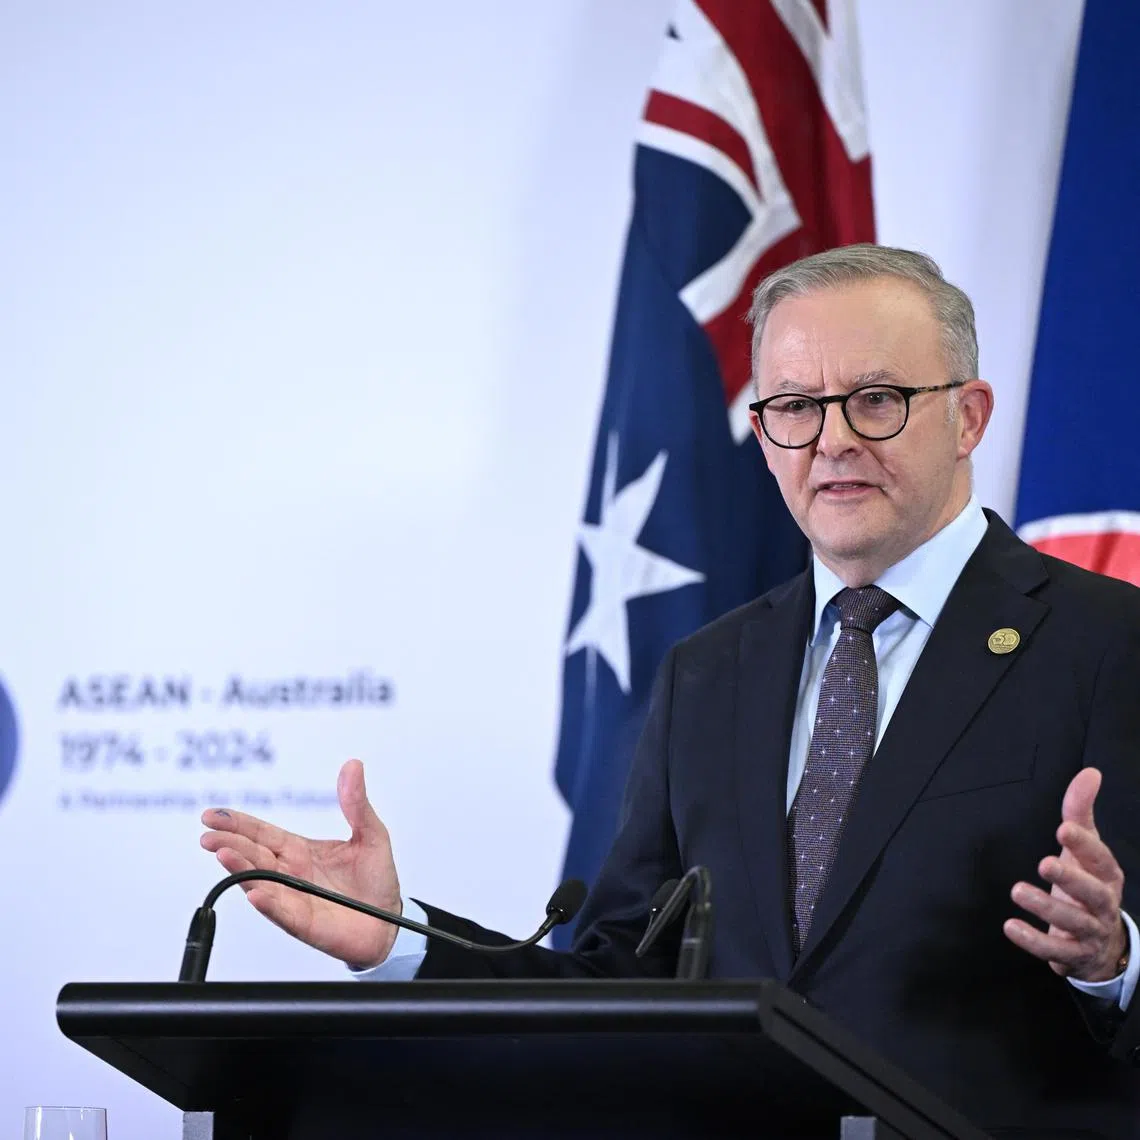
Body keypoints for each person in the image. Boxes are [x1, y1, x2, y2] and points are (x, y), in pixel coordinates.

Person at [200, 245, 1140, 1136]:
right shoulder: (712, 671)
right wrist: (395, 937)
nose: (833, 440)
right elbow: (622, 983)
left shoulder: (1109, 642)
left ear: (969, 415)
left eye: (878, 400)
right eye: (795, 407)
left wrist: (1116, 964)